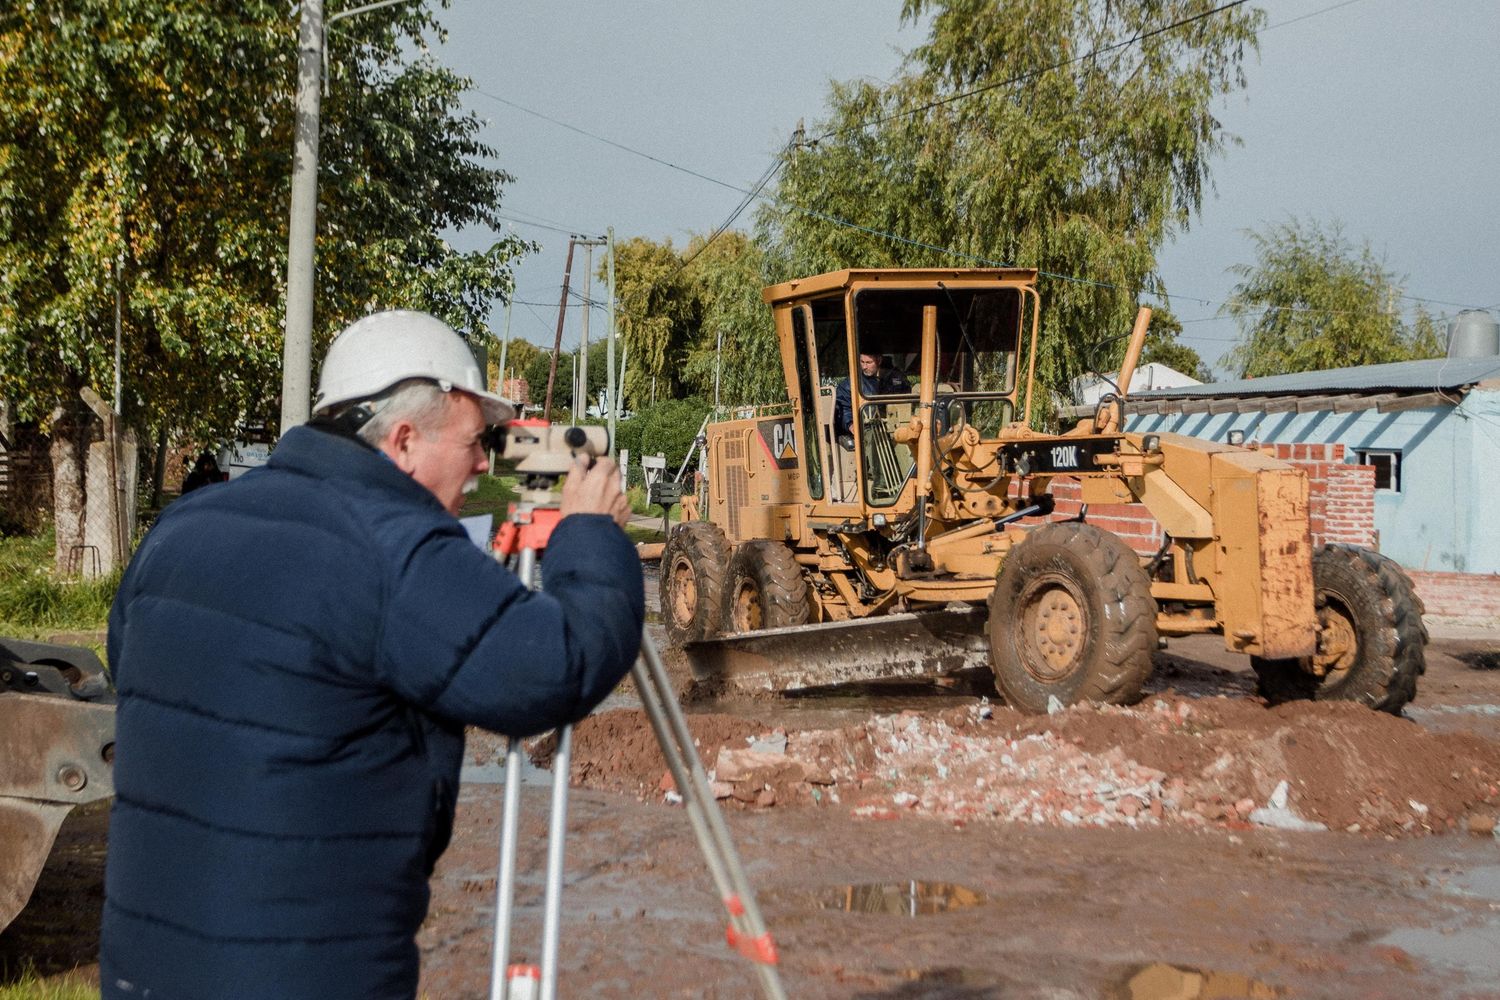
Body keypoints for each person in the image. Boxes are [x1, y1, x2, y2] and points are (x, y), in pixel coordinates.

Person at [100, 311, 642, 1000]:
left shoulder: (182, 527)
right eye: (476, 442)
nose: (485, 464)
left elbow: (134, 670)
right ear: (405, 439)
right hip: (303, 972)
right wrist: (589, 533)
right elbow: (556, 666)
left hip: (144, 967)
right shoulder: (396, 550)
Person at [833, 351, 911, 445]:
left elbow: (908, 403)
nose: (864, 367)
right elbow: (842, 407)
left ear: (879, 361)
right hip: (868, 432)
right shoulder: (851, 383)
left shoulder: (898, 378)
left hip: (897, 429)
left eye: (868, 362)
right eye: (862, 362)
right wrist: (850, 424)